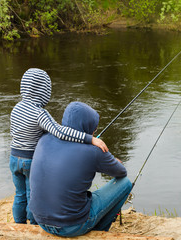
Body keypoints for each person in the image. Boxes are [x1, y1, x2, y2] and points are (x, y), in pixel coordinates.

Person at [10, 68, 108, 225]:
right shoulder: (39, 113)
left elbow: (15, 132)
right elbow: (60, 132)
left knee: (19, 194)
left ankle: (18, 224)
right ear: (44, 91)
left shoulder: (16, 108)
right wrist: (89, 139)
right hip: (30, 160)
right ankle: (35, 225)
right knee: (32, 194)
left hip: (14, 158)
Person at [29, 101, 132, 237]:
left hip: (41, 220)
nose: (94, 131)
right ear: (87, 127)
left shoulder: (44, 138)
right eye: (94, 128)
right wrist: (111, 159)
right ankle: (99, 231)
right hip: (72, 227)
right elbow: (121, 172)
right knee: (125, 183)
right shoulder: (94, 150)